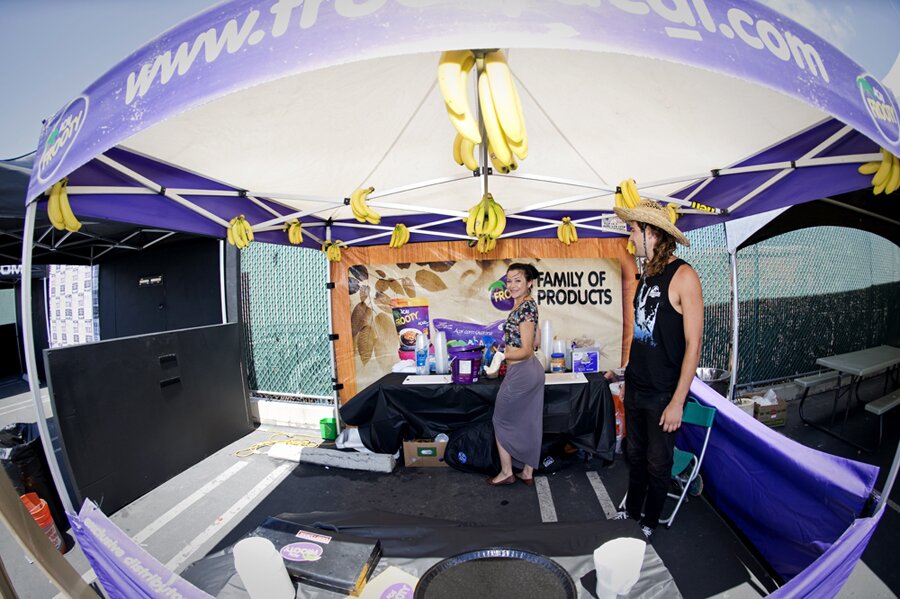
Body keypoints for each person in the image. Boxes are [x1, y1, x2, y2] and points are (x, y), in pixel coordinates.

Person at [611, 198, 703, 539]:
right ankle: (631, 511)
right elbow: (642, 334)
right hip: (637, 386)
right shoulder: (647, 274)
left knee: (657, 461)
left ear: (651, 232)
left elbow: (694, 343)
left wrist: (678, 401)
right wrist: (627, 375)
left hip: (664, 392)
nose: (630, 238)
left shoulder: (684, 276)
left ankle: (649, 521)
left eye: (633, 230)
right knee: (634, 454)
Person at [489, 262, 544, 486]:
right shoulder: (525, 305)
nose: (511, 285)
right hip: (528, 370)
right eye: (509, 280)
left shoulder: (526, 308)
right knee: (530, 421)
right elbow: (537, 341)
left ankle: (506, 472)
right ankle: (527, 472)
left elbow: (527, 350)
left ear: (529, 283)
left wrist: (502, 356)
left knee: (500, 419)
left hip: (522, 371)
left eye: (518, 280)